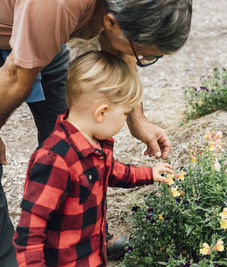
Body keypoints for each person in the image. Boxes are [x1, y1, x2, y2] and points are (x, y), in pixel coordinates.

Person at [0, 0, 192, 265]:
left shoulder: (86, 146)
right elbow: (14, 76)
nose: (143, 61)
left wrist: (137, 121)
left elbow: (106, 169)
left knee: (76, 147)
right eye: (144, 55)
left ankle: (81, 235)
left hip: (41, 28)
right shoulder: (56, 6)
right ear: (111, 21)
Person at [13, 51, 174, 266]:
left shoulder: (94, 144)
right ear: (101, 113)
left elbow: (111, 171)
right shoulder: (55, 159)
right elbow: (30, 231)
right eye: (125, 114)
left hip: (91, 256)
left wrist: (149, 174)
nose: (124, 121)